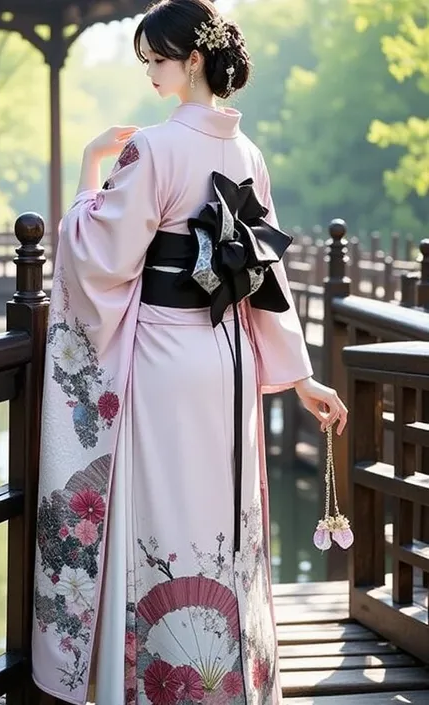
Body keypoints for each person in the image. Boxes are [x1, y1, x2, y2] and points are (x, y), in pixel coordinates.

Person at [31, 1, 347, 704]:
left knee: (161, 515)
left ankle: (158, 684)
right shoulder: (248, 154)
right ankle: (223, 681)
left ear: (194, 59)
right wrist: (299, 379)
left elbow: (102, 257)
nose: (150, 71)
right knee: (222, 516)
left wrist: (89, 170)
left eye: (158, 58)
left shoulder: (152, 147)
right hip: (226, 360)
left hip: (166, 362)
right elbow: (265, 277)